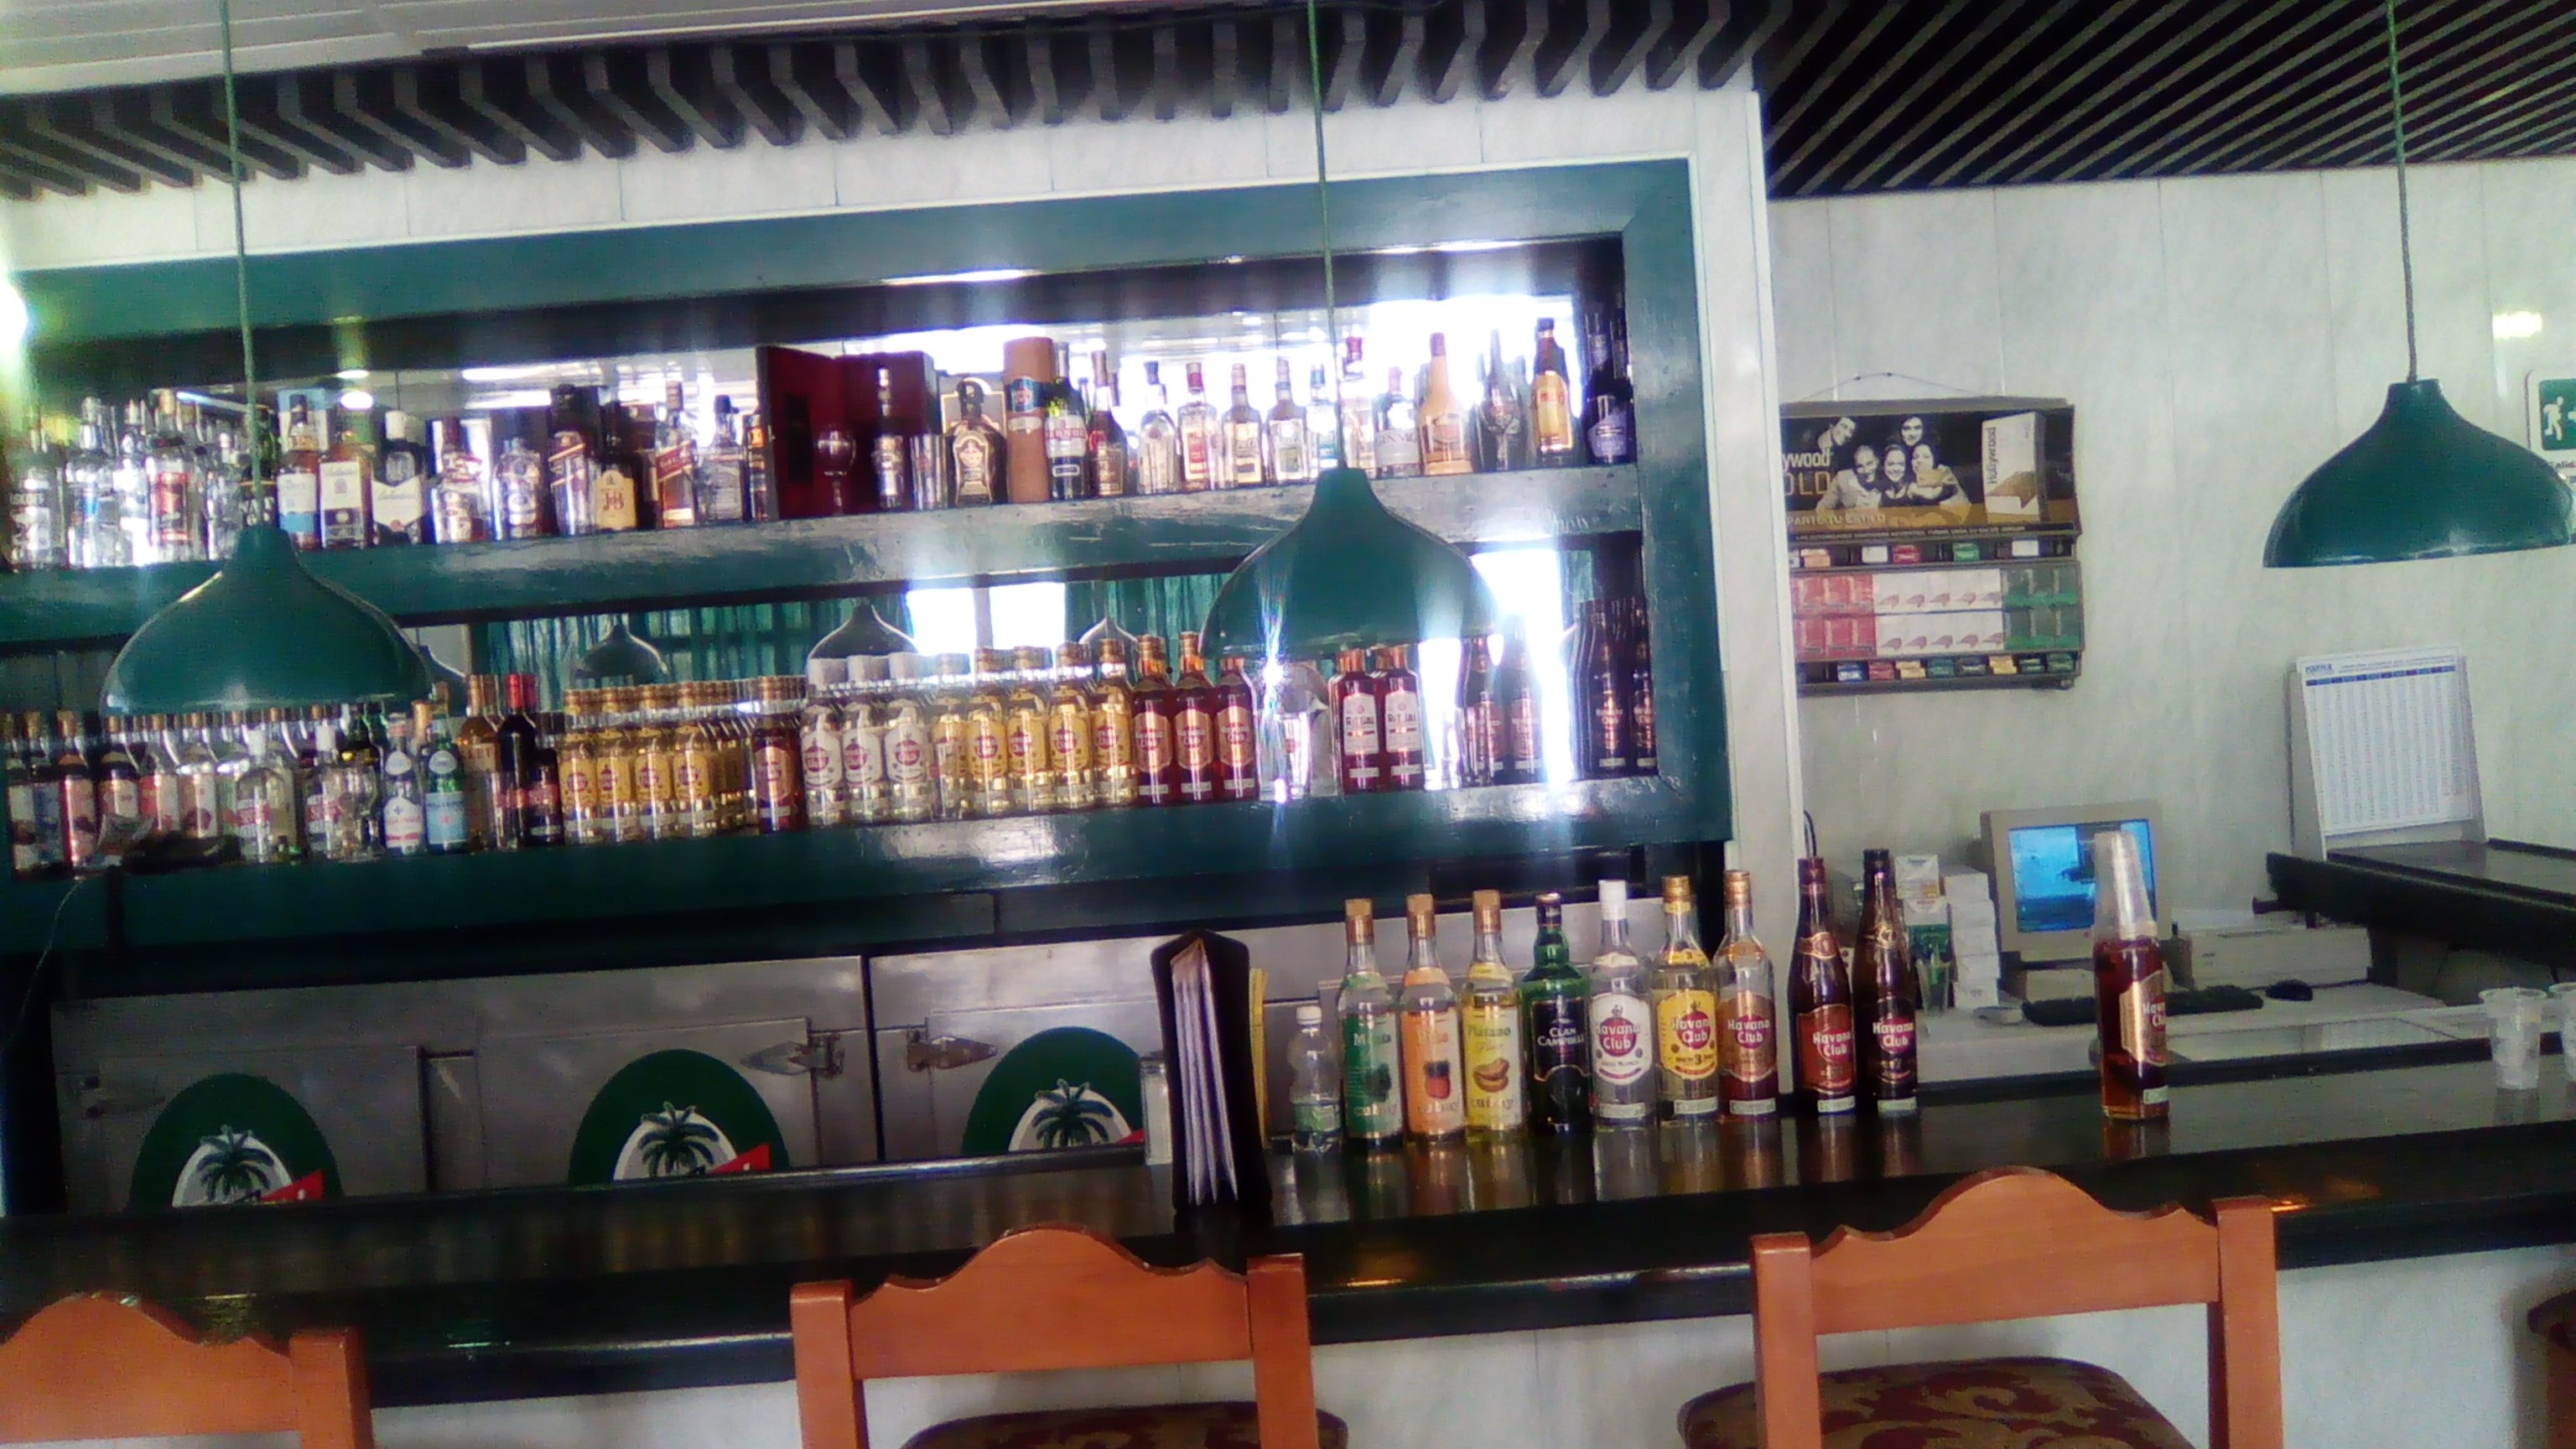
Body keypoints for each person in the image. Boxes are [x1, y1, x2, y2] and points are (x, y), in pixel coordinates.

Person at [1905, 442, 1971, 517]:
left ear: (1934, 459)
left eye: (1926, 457)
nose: (1920, 461)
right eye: (1915, 457)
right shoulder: (1905, 484)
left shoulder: (1946, 479)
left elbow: (1963, 508)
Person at [1820, 443, 1883, 510]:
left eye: (1869, 464)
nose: (1866, 471)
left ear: (1877, 462)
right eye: (1860, 466)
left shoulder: (1887, 476)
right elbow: (1823, 506)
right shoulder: (1843, 479)